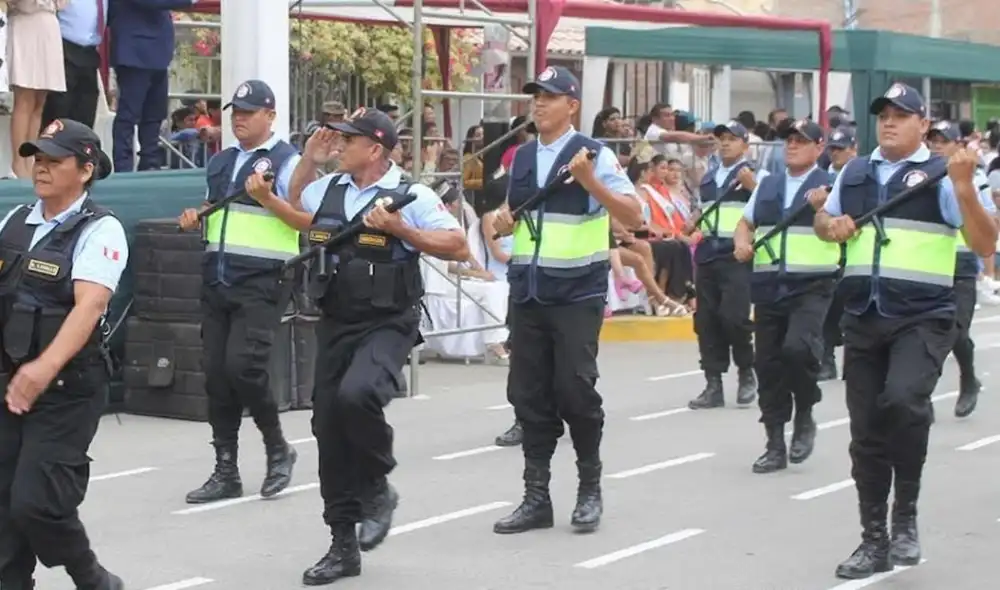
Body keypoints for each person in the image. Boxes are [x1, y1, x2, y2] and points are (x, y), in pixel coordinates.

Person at [272, 108, 468, 585]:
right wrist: (308, 161)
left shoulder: (409, 195)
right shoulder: (329, 189)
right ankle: (342, 545)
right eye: (337, 139)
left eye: (348, 140)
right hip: (336, 321)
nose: (338, 146)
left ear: (375, 149)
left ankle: (377, 485)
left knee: (357, 396)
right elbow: (294, 200)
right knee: (328, 426)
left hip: (388, 322)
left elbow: (458, 244)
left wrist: (404, 232)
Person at [813, 83, 997, 581]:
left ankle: (906, 516)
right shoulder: (854, 169)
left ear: (923, 124)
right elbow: (824, 220)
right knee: (866, 430)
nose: (889, 122)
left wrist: (962, 187)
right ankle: (874, 538)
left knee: (903, 402)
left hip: (922, 314)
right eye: (883, 115)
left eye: (901, 115)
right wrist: (830, 227)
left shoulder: (944, 174)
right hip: (864, 316)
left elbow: (984, 243)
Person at [489, 66, 641, 536]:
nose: (538, 103)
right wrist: (503, 221)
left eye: (549, 97)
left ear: (571, 105)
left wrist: (592, 183)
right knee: (527, 395)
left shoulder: (594, 155)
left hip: (577, 292)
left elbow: (634, 214)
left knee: (575, 391)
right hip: (529, 291)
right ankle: (536, 497)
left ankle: (589, 489)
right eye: (535, 95)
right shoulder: (523, 156)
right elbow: (513, 215)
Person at [0, 118, 125, 589]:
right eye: (38, 158)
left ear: (86, 169)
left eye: (55, 160)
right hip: (9, 383)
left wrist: (44, 367)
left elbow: (89, 306)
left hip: (66, 389)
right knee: (2, 510)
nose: (41, 168)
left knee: (37, 502)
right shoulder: (14, 221)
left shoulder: (101, 230)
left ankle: (90, 577)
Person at [177, 80, 300, 505]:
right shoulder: (222, 162)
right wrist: (196, 219)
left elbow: (306, 221)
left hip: (263, 279)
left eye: (249, 111)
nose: (239, 118)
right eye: (235, 111)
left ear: (271, 115)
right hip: (218, 277)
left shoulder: (288, 161)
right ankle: (225, 469)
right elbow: (217, 216)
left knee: (243, 367)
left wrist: (268, 198)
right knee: (215, 374)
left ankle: (276, 447)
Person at [733, 119, 839, 474]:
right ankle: (775, 443)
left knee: (798, 350)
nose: (792, 145)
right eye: (788, 140)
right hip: (768, 286)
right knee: (768, 365)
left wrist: (823, 209)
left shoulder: (832, 186)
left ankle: (805, 411)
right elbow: (745, 222)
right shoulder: (768, 184)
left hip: (812, 284)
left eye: (800, 140)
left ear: (818, 148)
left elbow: (841, 230)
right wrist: (742, 243)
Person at [685, 120, 765, 410]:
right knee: (706, 321)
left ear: (745, 144)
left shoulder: (754, 174)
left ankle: (746, 372)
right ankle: (713, 382)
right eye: (722, 139)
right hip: (708, 252)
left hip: (736, 254)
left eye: (733, 138)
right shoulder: (709, 176)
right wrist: (692, 219)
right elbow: (703, 206)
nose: (726, 143)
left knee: (734, 317)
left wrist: (752, 186)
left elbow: (768, 206)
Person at [925, 120, 998, 417]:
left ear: (958, 145)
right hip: (930, 264)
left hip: (963, 263)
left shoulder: (976, 177)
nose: (937, 145)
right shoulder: (920, 177)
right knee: (928, 335)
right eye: (933, 140)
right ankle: (921, 396)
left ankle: (968, 377)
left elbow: (990, 222)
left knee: (956, 331)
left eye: (944, 140)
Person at [108, 0, 196, 171]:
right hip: (134, 51)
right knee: (128, 115)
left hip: (158, 53)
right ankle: (123, 167)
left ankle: (150, 164)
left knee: (154, 114)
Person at [818, 126, 858, 381]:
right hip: (829, 251)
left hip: (855, 249)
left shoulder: (861, 176)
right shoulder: (822, 179)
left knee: (854, 310)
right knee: (829, 308)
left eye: (841, 149)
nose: (836, 154)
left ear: (854, 149)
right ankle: (827, 358)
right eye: (832, 148)